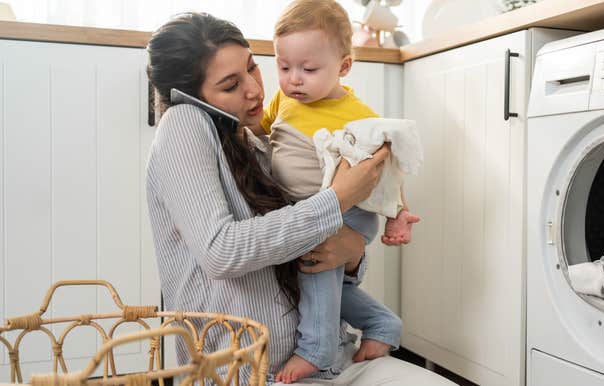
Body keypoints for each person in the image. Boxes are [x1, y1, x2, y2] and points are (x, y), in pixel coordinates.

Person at [145, 11, 454, 386]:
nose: (255, 90)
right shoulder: (184, 123)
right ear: (193, 98)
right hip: (255, 372)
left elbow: (314, 255)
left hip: (332, 356)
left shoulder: (258, 139)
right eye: (230, 85)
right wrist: (337, 199)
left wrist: (353, 252)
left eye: (252, 68)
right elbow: (222, 251)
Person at [258, 1, 420, 383]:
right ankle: (382, 323)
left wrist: (399, 213)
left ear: (343, 67)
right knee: (316, 280)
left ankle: (316, 348)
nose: (294, 79)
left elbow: (387, 167)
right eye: (283, 67)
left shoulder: (358, 114)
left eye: (309, 69)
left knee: (315, 267)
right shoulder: (285, 100)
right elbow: (263, 133)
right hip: (310, 209)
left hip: (347, 210)